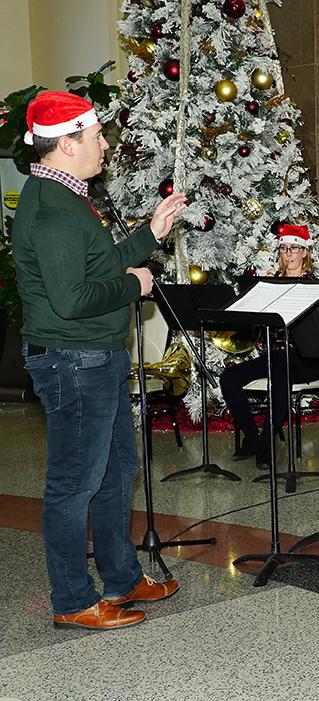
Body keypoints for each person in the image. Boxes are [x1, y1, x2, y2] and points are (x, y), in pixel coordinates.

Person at [13, 92, 188, 629]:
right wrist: (133, 285)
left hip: (95, 358)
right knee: (75, 483)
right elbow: (72, 299)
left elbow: (97, 264)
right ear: (66, 144)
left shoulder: (68, 196)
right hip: (74, 361)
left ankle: (121, 577)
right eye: (95, 137)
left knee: (115, 473)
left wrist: (149, 236)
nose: (105, 145)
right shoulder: (51, 209)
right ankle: (71, 600)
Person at [219, 224, 319, 466]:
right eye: (284, 249)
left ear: (305, 253)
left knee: (279, 373)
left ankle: (266, 443)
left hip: (305, 359)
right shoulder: (272, 281)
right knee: (229, 378)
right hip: (275, 357)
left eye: (294, 249)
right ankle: (252, 437)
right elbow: (257, 326)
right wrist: (262, 293)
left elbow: (313, 329)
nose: (288, 254)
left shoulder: (314, 285)